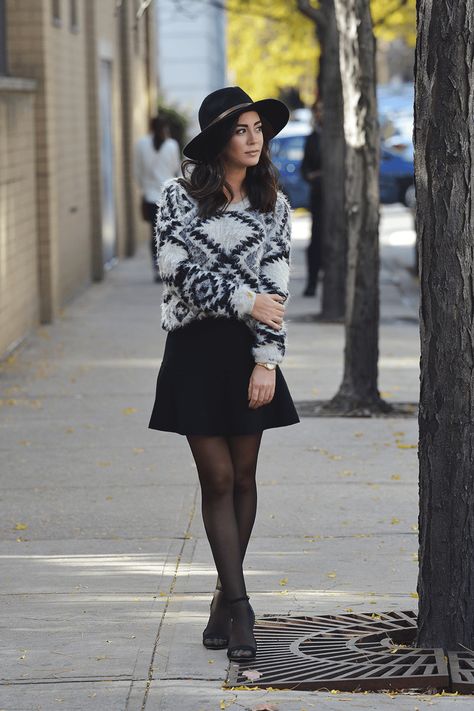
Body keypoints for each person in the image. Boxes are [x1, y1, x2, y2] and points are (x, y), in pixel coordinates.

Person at [148, 86, 300, 662]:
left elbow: (277, 289)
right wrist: (243, 299)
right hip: (193, 350)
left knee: (243, 478)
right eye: (242, 130)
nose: (255, 138)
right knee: (215, 479)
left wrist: (267, 360)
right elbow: (174, 268)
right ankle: (241, 607)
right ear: (219, 142)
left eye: (259, 128)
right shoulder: (177, 197)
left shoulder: (274, 204)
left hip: (246, 353)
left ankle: (223, 598)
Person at [134, 116, 181, 282]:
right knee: (169, 233)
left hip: (150, 196)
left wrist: (145, 187)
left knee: (154, 234)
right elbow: (176, 169)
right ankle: (169, 266)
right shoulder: (172, 145)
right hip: (168, 196)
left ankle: (156, 268)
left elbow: (137, 172)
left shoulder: (141, 144)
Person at [301, 100, 324, 297]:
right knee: (315, 242)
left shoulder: (340, 137)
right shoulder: (312, 139)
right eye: (318, 110)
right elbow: (305, 169)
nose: (320, 114)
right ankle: (312, 283)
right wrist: (313, 175)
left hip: (340, 200)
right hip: (318, 197)